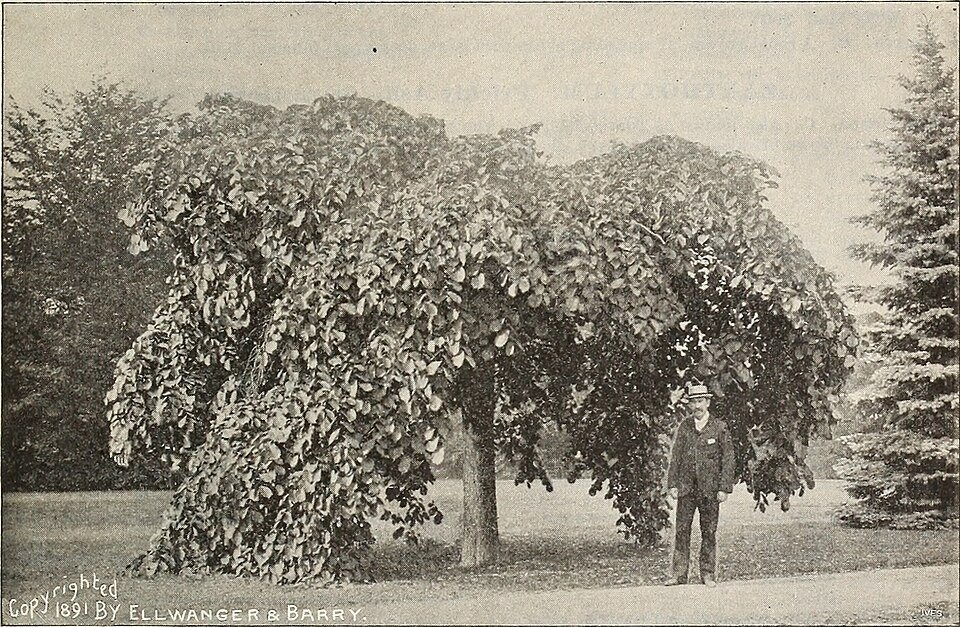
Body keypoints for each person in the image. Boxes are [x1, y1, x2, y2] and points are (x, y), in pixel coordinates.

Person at [664, 383, 735, 588]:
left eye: (701, 401)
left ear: (708, 402)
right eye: (694, 402)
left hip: (710, 491)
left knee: (709, 532)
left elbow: (728, 459)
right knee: (682, 531)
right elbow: (676, 457)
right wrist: (673, 484)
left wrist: (724, 488)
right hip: (686, 489)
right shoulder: (685, 427)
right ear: (689, 405)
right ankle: (679, 575)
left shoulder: (719, 427)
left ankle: (708, 574)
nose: (697, 406)